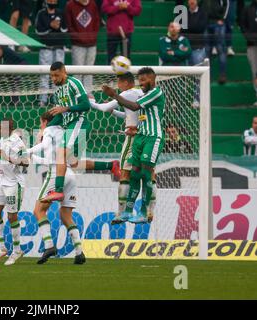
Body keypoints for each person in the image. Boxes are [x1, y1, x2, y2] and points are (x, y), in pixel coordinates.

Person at [90, 72, 158, 224]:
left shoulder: (127, 93)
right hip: (148, 137)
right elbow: (132, 115)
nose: (117, 86)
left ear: (126, 83)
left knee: (125, 174)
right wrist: (114, 112)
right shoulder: (142, 94)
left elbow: (103, 107)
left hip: (133, 138)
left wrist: (89, 102)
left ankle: (121, 212)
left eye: (119, 83)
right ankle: (149, 211)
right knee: (149, 174)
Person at [27, 112, 86, 264]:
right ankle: (79, 253)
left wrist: (28, 151)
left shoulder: (49, 130)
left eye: (41, 123)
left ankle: (49, 246)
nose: (40, 126)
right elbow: (51, 157)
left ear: (45, 121)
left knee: (39, 210)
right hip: (69, 174)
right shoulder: (64, 131)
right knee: (66, 215)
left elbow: (45, 146)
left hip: (56, 173)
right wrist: (33, 158)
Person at [39, 62, 91, 203]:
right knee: (72, 162)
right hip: (69, 125)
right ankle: (111, 166)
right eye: (51, 76)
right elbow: (60, 115)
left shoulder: (74, 83)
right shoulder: (57, 91)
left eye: (56, 75)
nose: (54, 79)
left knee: (61, 153)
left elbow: (86, 105)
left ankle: (58, 191)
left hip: (79, 122)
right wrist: (46, 128)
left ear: (64, 72)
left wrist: (65, 108)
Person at [0, 119, 29, 266]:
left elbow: (26, 162)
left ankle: (17, 250)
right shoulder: (2, 139)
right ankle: (1, 247)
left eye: (3, 128)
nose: (0, 130)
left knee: (12, 216)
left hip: (14, 183)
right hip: (2, 180)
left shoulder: (17, 142)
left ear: (10, 128)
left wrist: (10, 158)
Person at [35, 0, 68, 106]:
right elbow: (38, 31)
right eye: (50, 0)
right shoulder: (41, 13)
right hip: (45, 48)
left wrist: (58, 27)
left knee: (59, 75)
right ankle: (43, 100)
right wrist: (50, 26)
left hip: (59, 48)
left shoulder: (61, 13)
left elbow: (65, 28)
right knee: (44, 74)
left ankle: (57, 100)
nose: (52, 1)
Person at [64, 0, 100, 93]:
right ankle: (77, 94)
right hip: (77, 45)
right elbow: (69, 25)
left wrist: (92, 37)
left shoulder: (93, 4)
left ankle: (89, 95)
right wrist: (79, 38)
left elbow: (96, 22)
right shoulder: (70, 5)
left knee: (89, 71)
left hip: (92, 44)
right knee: (78, 71)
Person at [101, 0, 142, 64]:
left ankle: (125, 74)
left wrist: (127, 7)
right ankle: (110, 74)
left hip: (126, 32)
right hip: (112, 32)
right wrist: (118, 7)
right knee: (111, 57)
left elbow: (137, 11)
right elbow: (105, 9)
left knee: (126, 58)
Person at [204, 0, 230, 84]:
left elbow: (227, 4)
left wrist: (222, 19)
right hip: (206, 23)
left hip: (218, 23)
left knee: (220, 49)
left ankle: (222, 75)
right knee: (207, 50)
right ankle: (207, 76)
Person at [240, 0, 257, 107]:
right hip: (252, 45)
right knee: (255, 72)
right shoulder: (247, 8)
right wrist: (249, 37)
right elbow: (242, 25)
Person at [185, 0, 209, 66]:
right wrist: (194, 25)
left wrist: (188, 26)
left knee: (198, 72)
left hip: (198, 48)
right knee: (185, 74)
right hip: (185, 48)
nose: (191, 1)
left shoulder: (203, 13)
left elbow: (200, 28)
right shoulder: (184, 13)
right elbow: (181, 29)